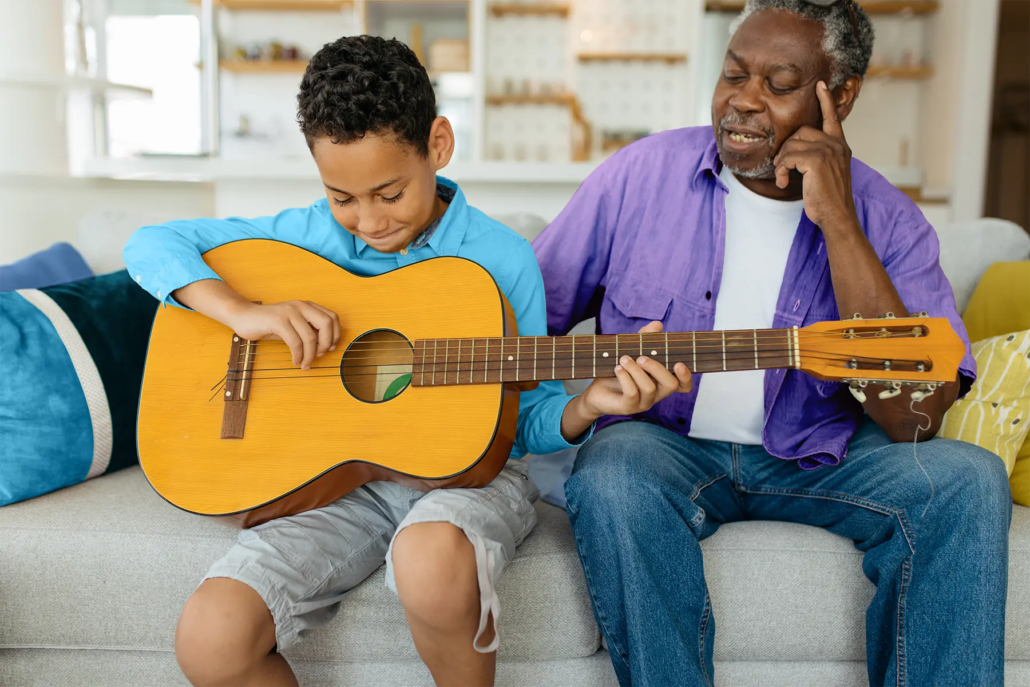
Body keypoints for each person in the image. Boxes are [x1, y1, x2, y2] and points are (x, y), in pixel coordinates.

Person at [123, 36, 686, 687]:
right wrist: (244, 313)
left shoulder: (500, 258)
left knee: (429, 559)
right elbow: (152, 242)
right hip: (335, 485)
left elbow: (527, 421)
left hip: (471, 477)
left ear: (437, 146)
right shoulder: (311, 234)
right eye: (343, 196)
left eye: (389, 193)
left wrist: (588, 404)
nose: (366, 219)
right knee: (210, 637)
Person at [532, 2, 1012, 686]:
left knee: (966, 480)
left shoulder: (890, 220)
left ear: (839, 96)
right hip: (664, 443)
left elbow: (914, 416)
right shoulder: (638, 176)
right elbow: (524, 319)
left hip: (822, 455)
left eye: (779, 84)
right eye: (733, 74)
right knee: (614, 472)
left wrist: (840, 222)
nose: (743, 101)